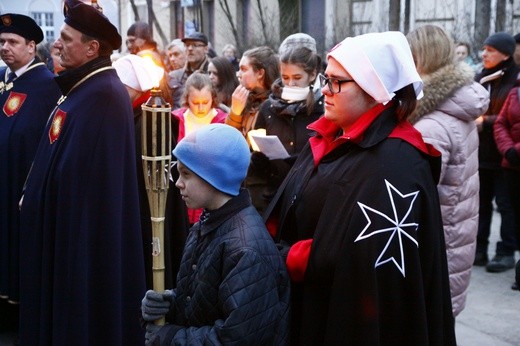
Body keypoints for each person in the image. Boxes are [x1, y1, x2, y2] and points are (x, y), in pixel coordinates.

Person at [263, 31, 456, 344]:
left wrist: (284, 257)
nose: (325, 89)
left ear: (373, 91)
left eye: (337, 82)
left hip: (348, 319)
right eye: (327, 78)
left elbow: (361, 260)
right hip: (307, 305)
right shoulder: (329, 138)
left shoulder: (396, 163)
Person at [18, 0, 146, 344]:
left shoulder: (104, 94)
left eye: (66, 38)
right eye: (59, 36)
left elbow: (89, 182)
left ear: (92, 48)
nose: (57, 43)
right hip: (58, 229)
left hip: (81, 239)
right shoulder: (80, 86)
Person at [141, 123, 290, 345]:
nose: (178, 184)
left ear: (215, 176)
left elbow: (238, 338)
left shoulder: (244, 249)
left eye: (186, 174)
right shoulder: (208, 223)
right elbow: (204, 299)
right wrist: (169, 304)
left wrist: (171, 338)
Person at [406, 25, 490, 317]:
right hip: (454, 237)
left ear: (418, 58)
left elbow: (414, 196)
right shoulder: (457, 105)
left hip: (436, 245)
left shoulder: (431, 124)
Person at [0, 12, 61, 335]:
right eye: (1, 42)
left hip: (23, 191)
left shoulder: (47, 86)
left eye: (12, 42)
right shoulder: (6, 81)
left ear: (32, 45)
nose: (5, 47)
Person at [113, 54, 189, 291]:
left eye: (120, 86)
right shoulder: (129, 114)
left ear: (134, 88)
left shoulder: (151, 116)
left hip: (151, 205)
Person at [248, 33, 323, 212]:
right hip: (272, 198)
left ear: (312, 75)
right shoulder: (268, 108)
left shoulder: (324, 109)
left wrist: (297, 160)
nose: (290, 84)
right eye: (285, 77)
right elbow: (257, 164)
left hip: (309, 199)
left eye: (297, 78)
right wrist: (258, 155)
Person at [474, 32, 519, 272]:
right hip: (481, 152)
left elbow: (511, 117)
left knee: (505, 204)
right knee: (480, 203)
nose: (484, 54)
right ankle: (479, 249)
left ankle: (506, 251)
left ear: (506, 54)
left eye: (490, 50)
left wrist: (488, 122)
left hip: (505, 155)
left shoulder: (515, 79)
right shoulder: (480, 77)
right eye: (484, 49)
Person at [172, 72, 228, 224]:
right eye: (195, 102)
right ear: (186, 99)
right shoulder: (175, 120)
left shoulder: (222, 121)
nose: (201, 107)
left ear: (213, 98)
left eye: (206, 102)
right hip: (180, 194)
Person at [494, 80, 520, 290]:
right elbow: (501, 122)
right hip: (510, 164)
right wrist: (508, 150)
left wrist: (516, 150)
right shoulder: (515, 91)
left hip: (514, 157)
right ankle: (508, 252)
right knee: (509, 209)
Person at [225, 46, 279, 138]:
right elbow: (229, 140)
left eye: (243, 69)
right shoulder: (244, 99)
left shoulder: (277, 104)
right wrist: (235, 113)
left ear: (260, 73)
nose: (238, 74)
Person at [168, 32, 210, 109]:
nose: (190, 48)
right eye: (187, 45)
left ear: (206, 49)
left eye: (195, 45)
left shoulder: (214, 73)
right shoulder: (175, 76)